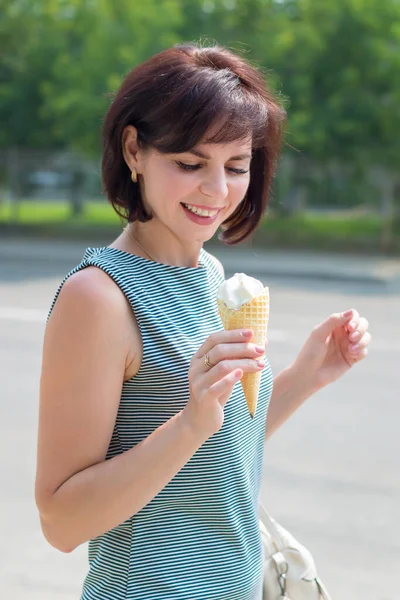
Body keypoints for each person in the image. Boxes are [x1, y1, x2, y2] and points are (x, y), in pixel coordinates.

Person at [35, 43, 371, 600]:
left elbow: (217, 447)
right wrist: (190, 423)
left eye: (236, 166)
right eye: (191, 164)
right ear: (134, 150)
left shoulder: (213, 275)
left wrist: (308, 374)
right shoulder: (97, 296)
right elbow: (62, 523)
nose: (217, 192)